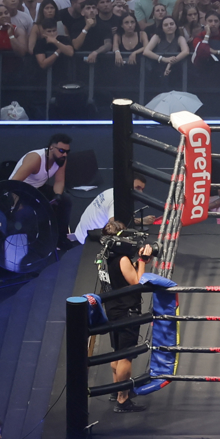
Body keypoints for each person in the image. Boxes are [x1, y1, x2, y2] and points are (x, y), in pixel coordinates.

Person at [101, 233, 154, 413]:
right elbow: (137, 282)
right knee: (125, 356)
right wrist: (142, 261)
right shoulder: (122, 259)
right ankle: (123, 399)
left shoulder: (105, 256)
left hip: (113, 309)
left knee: (118, 353)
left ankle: (117, 391)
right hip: (125, 311)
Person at [10, 133, 75, 249]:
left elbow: (59, 181)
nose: (64, 154)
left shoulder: (61, 159)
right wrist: (16, 203)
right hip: (20, 190)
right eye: (61, 150)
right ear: (51, 148)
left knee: (65, 201)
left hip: (38, 188)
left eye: (67, 151)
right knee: (29, 213)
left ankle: (61, 238)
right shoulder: (35, 159)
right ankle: (36, 245)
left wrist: (58, 196)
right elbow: (13, 183)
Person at [73, 174, 155, 243]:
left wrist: (141, 221)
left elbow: (118, 219)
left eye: (142, 189)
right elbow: (113, 227)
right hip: (88, 240)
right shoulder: (116, 201)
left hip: (82, 233)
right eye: (137, 188)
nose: (140, 192)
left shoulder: (113, 191)